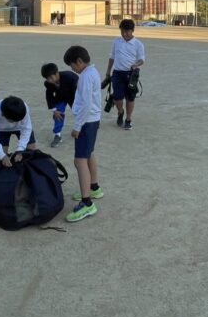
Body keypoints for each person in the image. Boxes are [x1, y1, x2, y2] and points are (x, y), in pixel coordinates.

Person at [63, 45, 103, 222]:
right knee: (88, 154)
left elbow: (86, 104)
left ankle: (87, 203)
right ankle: (93, 187)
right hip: (92, 120)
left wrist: (77, 126)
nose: (73, 69)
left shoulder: (86, 77)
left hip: (86, 123)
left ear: (79, 61)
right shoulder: (92, 72)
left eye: (72, 66)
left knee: (79, 160)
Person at [105, 18, 145, 131]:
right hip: (117, 73)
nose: (124, 34)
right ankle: (120, 112)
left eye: (127, 31)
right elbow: (112, 57)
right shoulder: (116, 41)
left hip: (131, 75)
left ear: (132, 30)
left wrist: (136, 64)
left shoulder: (138, 44)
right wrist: (108, 72)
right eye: (122, 31)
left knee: (130, 98)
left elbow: (142, 59)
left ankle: (128, 119)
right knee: (117, 98)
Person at [0, 95, 36, 166]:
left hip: (20, 127)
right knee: (1, 158)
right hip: (2, 129)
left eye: (17, 121)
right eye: (13, 121)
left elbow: (26, 129)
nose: (15, 123)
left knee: (30, 150)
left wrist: (20, 150)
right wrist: (2, 156)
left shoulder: (23, 108)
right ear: (3, 114)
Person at [41, 62, 78, 148]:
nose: (49, 80)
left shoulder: (70, 77)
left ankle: (83, 127)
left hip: (74, 97)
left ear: (57, 73)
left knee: (79, 112)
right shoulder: (48, 83)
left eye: (51, 77)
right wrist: (54, 110)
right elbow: (49, 95)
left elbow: (78, 91)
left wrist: (77, 104)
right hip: (60, 98)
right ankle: (57, 135)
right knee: (58, 114)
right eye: (47, 78)